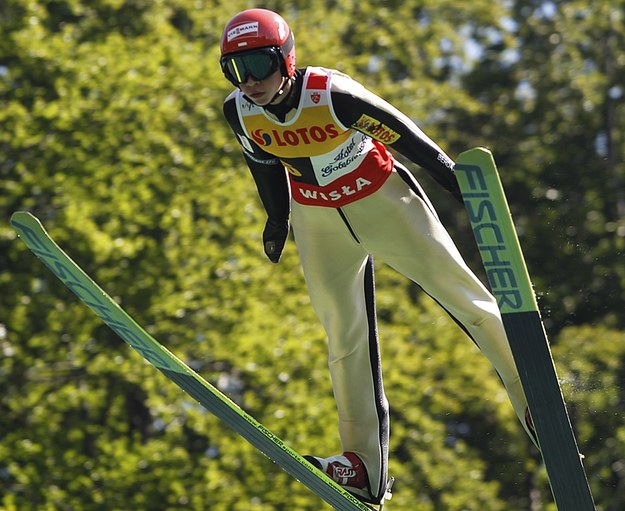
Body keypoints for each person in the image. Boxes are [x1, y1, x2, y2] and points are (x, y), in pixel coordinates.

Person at [219, 8, 538, 505]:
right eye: (235, 70)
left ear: (287, 59)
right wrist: (276, 221)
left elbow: (408, 137)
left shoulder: (333, 95)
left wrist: (458, 185)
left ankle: (531, 397)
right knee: (344, 338)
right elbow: (263, 166)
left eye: (259, 65)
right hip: (317, 219)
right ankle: (364, 468)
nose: (250, 82)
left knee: (465, 301)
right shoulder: (239, 110)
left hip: (381, 199)